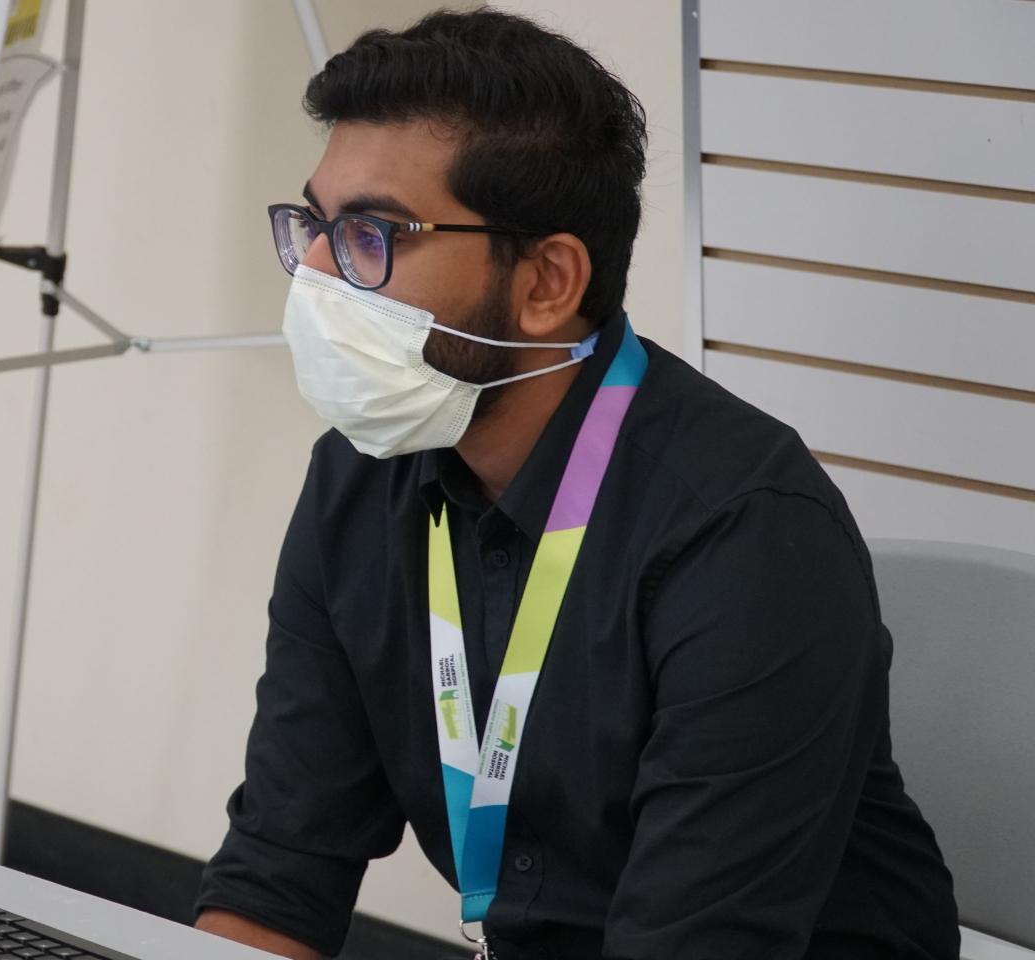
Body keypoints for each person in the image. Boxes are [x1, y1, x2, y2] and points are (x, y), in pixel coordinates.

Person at [192, 9, 959, 959]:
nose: (314, 275)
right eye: (315, 226)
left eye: (371, 236)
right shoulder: (360, 478)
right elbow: (275, 879)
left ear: (548, 281)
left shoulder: (748, 538)